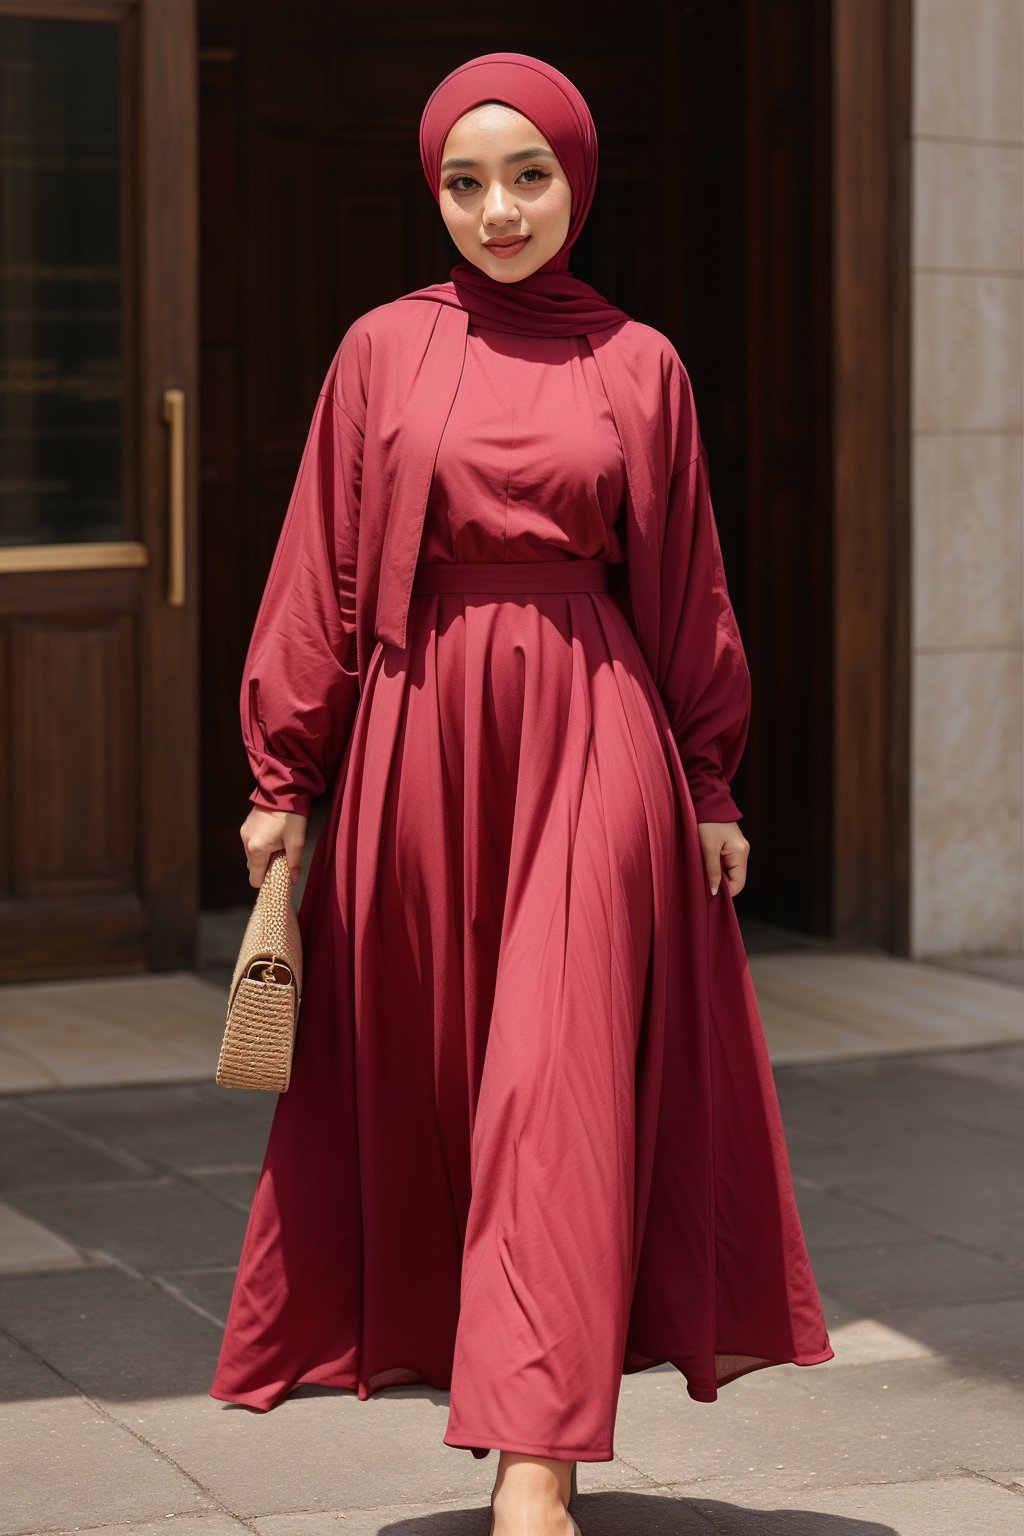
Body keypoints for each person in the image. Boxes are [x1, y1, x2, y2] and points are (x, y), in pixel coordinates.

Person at [209, 51, 834, 1536]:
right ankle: (504, 1399)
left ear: (578, 178)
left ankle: (536, 1472)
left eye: (529, 175)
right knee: (457, 1086)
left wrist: (709, 781)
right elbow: (323, 568)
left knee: (556, 1087)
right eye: (465, 182)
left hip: (594, 738)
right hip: (419, 748)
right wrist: (283, 775)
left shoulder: (640, 362)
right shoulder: (380, 350)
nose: (499, 210)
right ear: (433, 189)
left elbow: (688, 587)